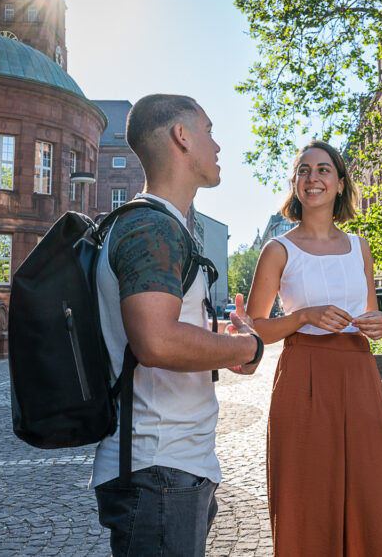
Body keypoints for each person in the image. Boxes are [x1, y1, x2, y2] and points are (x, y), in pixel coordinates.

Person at [90, 94, 264, 557]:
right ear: (181, 137)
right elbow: (157, 341)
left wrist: (220, 345)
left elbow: (167, 334)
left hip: (169, 467)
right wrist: (245, 349)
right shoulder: (152, 228)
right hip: (158, 469)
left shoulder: (161, 225)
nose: (218, 145)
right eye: (209, 130)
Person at [244, 140, 382, 557]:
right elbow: (256, 329)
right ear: (295, 185)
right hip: (305, 376)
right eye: (303, 170)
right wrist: (302, 317)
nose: (312, 178)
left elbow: (371, 317)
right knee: (307, 490)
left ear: (339, 183)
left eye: (322, 170)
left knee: (371, 487)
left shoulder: (360, 248)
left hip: (359, 375)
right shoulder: (278, 249)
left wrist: (378, 324)